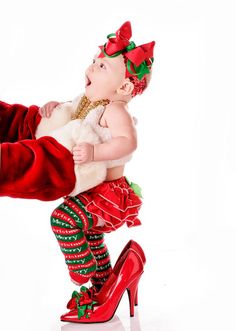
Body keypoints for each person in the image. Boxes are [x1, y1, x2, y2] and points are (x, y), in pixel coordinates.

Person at [48, 21, 155, 322]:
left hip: (109, 195)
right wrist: (55, 108)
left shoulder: (115, 110)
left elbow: (127, 142)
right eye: (93, 63)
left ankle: (83, 270)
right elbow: (71, 117)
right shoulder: (91, 105)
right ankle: (105, 284)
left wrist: (95, 153)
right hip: (92, 192)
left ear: (123, 87)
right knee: (91, 236)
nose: (90, 69)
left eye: (102, 67)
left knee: (64, 218)